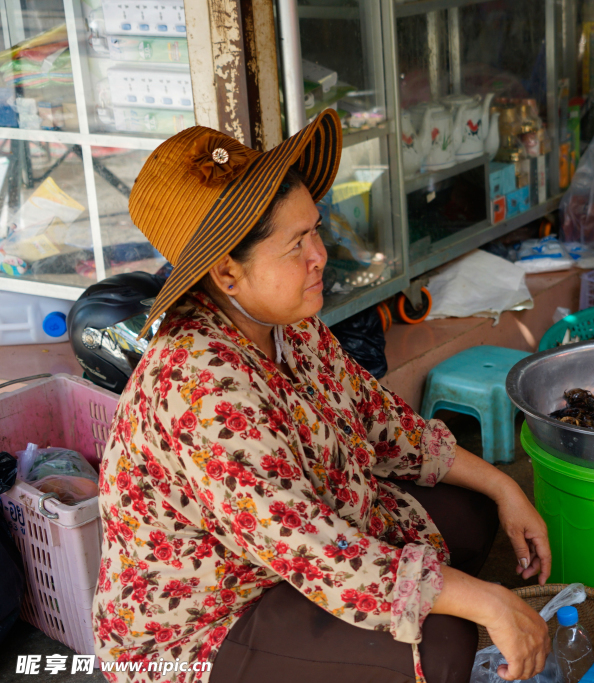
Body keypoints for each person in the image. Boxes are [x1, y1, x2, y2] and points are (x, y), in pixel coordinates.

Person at [91, 110, 552, 683]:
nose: (320, 256)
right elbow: (316, 551)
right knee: (440, 642)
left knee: (473, 511)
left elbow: (380, 421)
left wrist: (505, 486)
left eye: (315, 231)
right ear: (227, 275)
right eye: (296, 245)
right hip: (207, 621)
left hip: (282, 557)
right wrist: (488, 603)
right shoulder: (202, 388)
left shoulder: (283, 320)